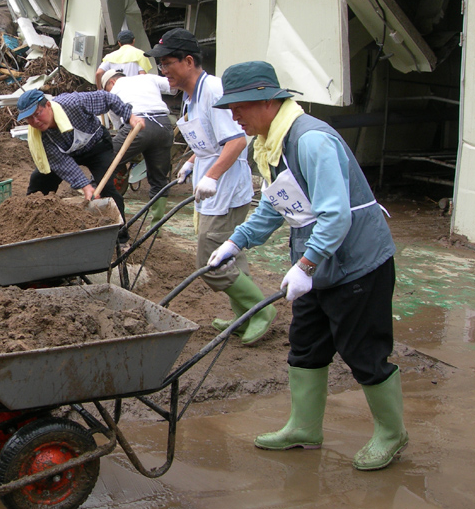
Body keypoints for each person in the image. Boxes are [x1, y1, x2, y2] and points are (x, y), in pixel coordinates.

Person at [207, 61, 406, 471]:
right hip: (320, 267)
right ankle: (304, 428)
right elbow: (276, 202)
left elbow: (336, 217)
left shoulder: (311, 141)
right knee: (306, 346)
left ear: (266, 101)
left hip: (357, 266)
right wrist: (236, 240)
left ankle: (391, 433)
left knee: (363, 352)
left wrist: (306, 266)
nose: (233, 116)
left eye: (239, 107)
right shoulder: (271, 143)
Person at [147, 29, 275, 344]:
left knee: (210, 258)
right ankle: (244, 315)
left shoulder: (214, 91)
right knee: (228, 252)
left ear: (189, 61)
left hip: (226, 185)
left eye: (168, 64)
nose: (164, 71)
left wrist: (212, 175)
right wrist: (193, 162)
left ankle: (262, 310)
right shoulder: (191, 96)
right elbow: (210, 139)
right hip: (212, 179)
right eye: (161, 65)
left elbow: (236, 140)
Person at [17, 89, 142, 242]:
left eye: (37, 114)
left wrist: (129, 116)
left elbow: (106, 98)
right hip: (69, 154)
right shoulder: (39, 136)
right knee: (39, 180)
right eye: (29, 118)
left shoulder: (73, 103)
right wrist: (85, 185)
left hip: (97, 146)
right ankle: (31, 226)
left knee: (109, 189)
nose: (35, 121)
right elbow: (61, 163)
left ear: (48, 105)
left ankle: (120, 238)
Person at [100, 69, 174, 224]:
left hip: (137, 125)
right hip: (164, 125)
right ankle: (156, 226)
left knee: (105, 164)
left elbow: (120, 124)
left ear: (111, 82)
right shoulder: (147, 78)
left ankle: (99, 211)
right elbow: (173, 87)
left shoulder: (114, 91)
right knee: (159, 179)